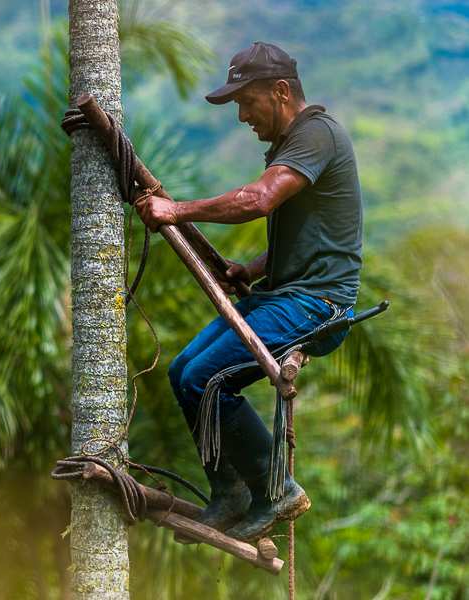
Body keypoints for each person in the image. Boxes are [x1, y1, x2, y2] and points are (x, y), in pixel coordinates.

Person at [134, 41, 363, 542]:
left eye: (247, 101)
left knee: (206, 378)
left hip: (318, 305)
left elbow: (259, 201)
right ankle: (231, 494)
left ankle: (276, 490)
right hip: (284, 295)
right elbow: (312, 238)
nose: (241, 115)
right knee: (182, 372)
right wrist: (252, 272)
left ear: (281, 91)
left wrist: (176, 211)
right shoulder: (290, 146)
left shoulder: (316, 135)